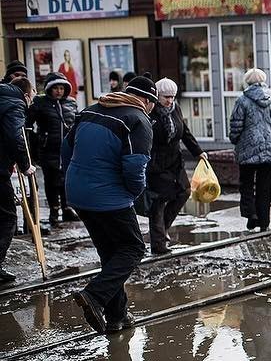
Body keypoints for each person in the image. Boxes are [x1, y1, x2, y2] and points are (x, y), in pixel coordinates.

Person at [63, 75, 157, 334]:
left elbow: (66, 149)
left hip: (79, 194)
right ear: (146, 101)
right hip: (109, 197)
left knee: (111, 253)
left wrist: (72, 180)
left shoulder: (90, 111)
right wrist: (135, 193)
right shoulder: (137, 120)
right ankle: (94, 296)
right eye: (152, 103)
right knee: (133, 248)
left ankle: (117, 316)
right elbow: (135, 166)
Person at [147, 77, 205, 255]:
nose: (169, 100)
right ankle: (158, 243)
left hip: (174, 160)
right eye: (166, 97)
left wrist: (198, 151)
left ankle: (161, 230)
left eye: (172, 97)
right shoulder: (150, 112)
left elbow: (184, 132)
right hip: (156, 162)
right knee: (157, 200)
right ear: (157, 96)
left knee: (183, 192)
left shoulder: (175, 109)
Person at [229, 68, 271, 232]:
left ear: (247, 82)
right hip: (270, 149)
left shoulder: (242, 101)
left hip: (247, 150)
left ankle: (251, 215)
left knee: (246, 184)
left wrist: (234, 139)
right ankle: (264, 221)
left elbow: (236, 125)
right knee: (265, 187)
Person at [26, 72, 79, 225]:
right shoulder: (41, 103)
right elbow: (29, 123)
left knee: (67, 180)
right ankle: (54, 210)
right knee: (51, 181)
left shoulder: (71, 103)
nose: (59, 91)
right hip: (49, 148)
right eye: (56, 88)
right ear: (50, 89)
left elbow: (76, 123)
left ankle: (67, 208)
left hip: (68, 149)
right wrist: (37, 141)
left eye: (62, 88)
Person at [0, 76, 36, 286]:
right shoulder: (15, 104)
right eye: (31, 97)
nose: (31, 101)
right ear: (25, 94)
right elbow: (15, 136)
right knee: (7, 217)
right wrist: (25, 164)